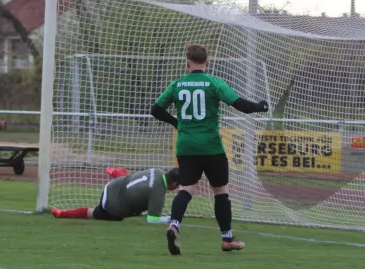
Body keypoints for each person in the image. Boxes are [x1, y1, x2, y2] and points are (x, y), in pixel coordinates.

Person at [151, 44, 269, 255]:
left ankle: (174, 225)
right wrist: (260, 106)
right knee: (221, 191)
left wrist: (176, 122)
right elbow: (239, 104)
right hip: (211, 146)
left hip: (186, 147)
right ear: (208, 62)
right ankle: (227, 238)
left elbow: (155, 109)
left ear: (187, 63)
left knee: (186, 189)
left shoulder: (177, 85)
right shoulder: (214, 83)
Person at [52, 166, 181, 223]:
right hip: (112, 205)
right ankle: (62, 213)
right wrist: (170, 219)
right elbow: (152, 220)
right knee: (94, 213)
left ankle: (115, 172)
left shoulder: (157, 171)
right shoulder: (158, 194)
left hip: (114, 185)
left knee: (130, 179)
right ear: (175, 185)